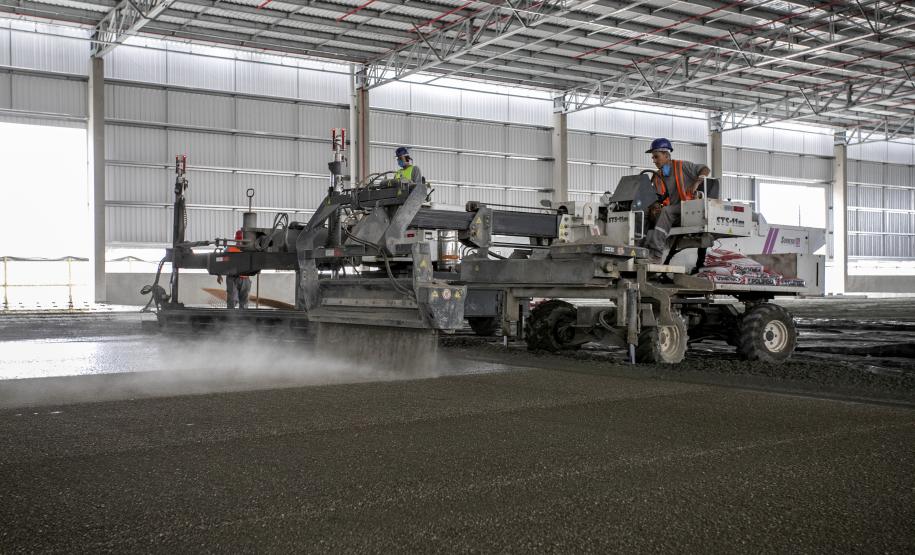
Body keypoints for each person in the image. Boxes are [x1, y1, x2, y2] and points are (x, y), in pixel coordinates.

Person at [642, 138, 710, 263]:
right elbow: (655, 197)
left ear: (667, 155)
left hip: (688, 209)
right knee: (644, 212)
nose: (654, 161)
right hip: (672, 212)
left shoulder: (682, 166)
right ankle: (641, 249)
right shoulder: (657, 176)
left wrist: (697, 182)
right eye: (653, 158)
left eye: (656, 157)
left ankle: (656, 255)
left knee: (666, 211)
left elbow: (705, 169)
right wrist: (654, 206)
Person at [216, 230, 251, 309]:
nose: (239, 243)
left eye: (241, 241)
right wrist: (219, 275)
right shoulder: (230, 250)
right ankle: (231, 319)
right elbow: (220, 261)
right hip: (232, 278)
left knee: (244, 302)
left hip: (245, 279)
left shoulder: (249, 251)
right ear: (235, 240)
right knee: (232, 300)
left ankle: (244, 320)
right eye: (238, 240)